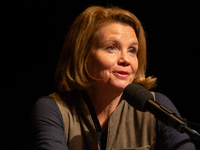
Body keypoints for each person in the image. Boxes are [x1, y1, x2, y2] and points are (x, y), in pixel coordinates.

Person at [31, 6, 196, 150]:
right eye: (112, 47)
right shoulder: (53, 109)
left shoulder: (156, 107)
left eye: (132, 50)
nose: (126, 59)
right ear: (83, 55)